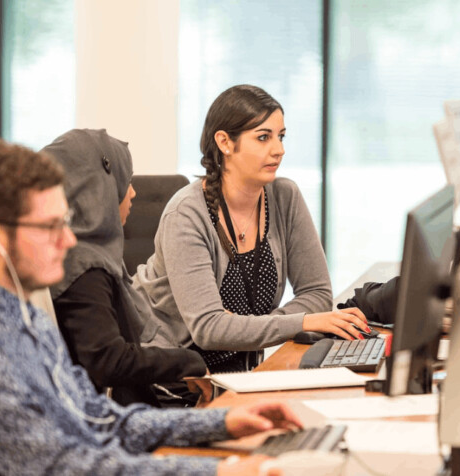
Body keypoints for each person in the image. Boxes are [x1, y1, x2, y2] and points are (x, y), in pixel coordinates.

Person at [0, 139, 301, 475]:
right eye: (50, 227)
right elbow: (67, 468)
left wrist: (222, 423)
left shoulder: (20, 317)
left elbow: (100, 419)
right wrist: (215, 470)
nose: (67, 240)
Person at [134, 84, 370, 372]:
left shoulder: (284, 196)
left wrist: (246, 327)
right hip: (175, 376)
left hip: (242, 370)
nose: (279, 150)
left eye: (281, 137)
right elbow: (209, 329)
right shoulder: (186, 214)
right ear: (224, 142)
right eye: (263, 138)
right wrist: (301, 321)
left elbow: (317, 293)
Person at [42, 129, 206, 407]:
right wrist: (188, 362)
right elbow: (108, 361)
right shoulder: (84, 267)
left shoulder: (87, 255)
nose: (133, 192)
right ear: (99, 189)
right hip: (113, 419)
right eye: (125, 181)